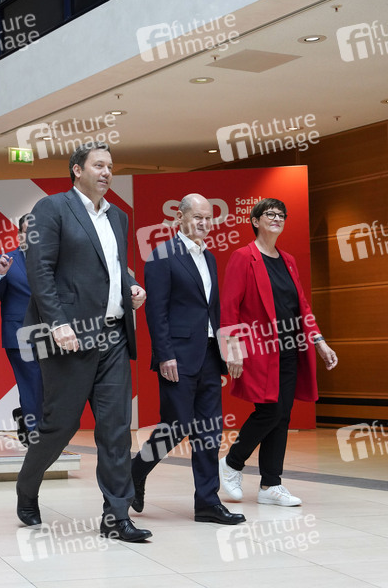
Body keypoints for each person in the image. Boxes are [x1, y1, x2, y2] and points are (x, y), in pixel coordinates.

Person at [15, 142, 151, 543]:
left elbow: (113, 268)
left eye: (110, 166)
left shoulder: (118, 217)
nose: (107, 172)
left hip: (113, 335)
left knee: (116, 428)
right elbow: (40, 270)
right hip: (70, 337)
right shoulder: (51, 208)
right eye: (98, 165)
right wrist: (57, 324)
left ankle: (116, 516)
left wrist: (131, 286)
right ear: (77, 169)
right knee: (61, 425)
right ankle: (27, 486)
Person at [131, 194, 245, 526]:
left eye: (208, 218)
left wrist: (228, 349)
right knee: (175, 425)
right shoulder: (162, 255)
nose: (204, 223)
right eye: (197, 217)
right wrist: (164, 355)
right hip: (177, 357)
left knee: (209, 430)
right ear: (179, 218)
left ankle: (207, 502)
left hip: (209, 355)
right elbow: (156, 312)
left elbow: (214, 309)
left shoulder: (209, 257)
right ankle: (135, 472)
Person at [218, 198, 338, 507]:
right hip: (258, 349)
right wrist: (232, 348)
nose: (277, 218)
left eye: (281, 215)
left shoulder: (288, 260)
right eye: (270, 214)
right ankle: (231, 463)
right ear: (255, 221)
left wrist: (319, 341)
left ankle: (271, 484)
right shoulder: (243, 257)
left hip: (289, 348)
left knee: (282, 415)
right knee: (269, 411)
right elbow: (229, 305)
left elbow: (302, 306)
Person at [0, 214, 43, 446]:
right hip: (19, 333)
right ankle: (36, 436)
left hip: (48, 335)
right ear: (20, 235)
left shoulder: (51, 260)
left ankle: (24, 416)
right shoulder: (6, 260)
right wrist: (0, 274)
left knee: (46, 385)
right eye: (28, 231)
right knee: (32, 381)